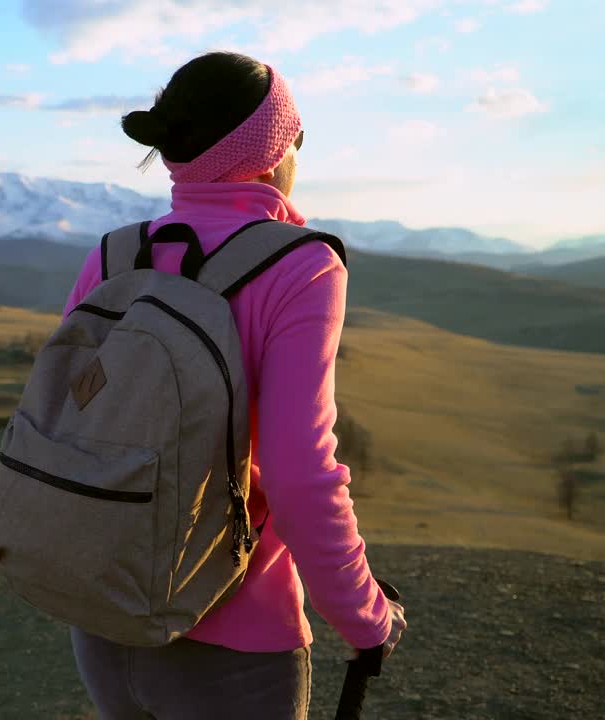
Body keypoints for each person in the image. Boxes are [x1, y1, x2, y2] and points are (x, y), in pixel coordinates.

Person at [61, 52, 407, 720]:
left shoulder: (113, 255)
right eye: (297, 137)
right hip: (234, 648)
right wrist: (366, 617)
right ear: (274, 150)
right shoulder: (301, 267)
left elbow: (67, 419)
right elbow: (299, 475)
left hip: (103, 617)